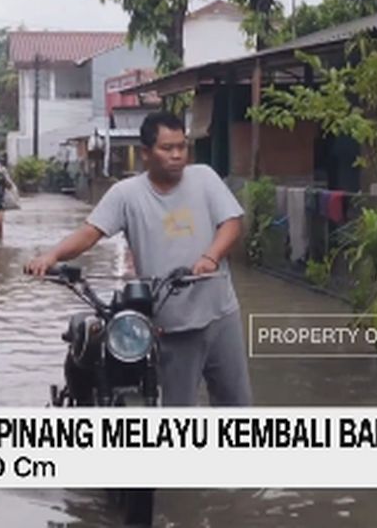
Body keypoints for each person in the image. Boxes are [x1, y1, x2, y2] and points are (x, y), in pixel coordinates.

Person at [24, 111, 252, 407]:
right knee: (177, 409)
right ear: (146, 153)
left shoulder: (205, 178)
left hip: (221, 313)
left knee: (238, 406)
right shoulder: (126, 194)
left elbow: (232, 223)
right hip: (172, 326)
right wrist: (51, 256)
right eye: (167, 148)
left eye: (181, 147)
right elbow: (90, 233)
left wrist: (211, 256)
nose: (177, 155)